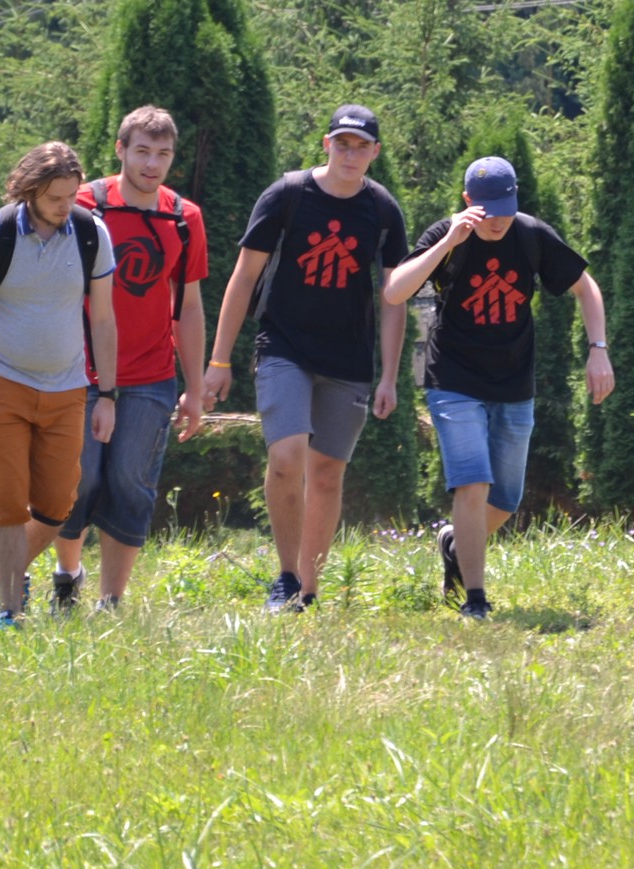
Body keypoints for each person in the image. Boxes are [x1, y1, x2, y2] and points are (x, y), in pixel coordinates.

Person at [382, 155, 613, 619]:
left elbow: (586, 288)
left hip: (513, 380)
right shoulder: (446, 235)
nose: (498, 221)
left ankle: (454, 543)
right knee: (473, 482)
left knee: (504, 501)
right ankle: (476, 599)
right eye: (487, 211)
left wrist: (598, 349)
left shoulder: (530, 234)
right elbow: (395, 292)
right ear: (468, 200)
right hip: (453, 378)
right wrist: (449, 241)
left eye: (505, 209)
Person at [203, 105, 408, 612]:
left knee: (327, 474)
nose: (350, 155)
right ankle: (287, 577)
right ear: (326, 144)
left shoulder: (383, 210)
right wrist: (219, 360)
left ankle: (309, 590)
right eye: (342, 144)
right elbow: (244, 277)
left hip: (349, 359)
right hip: (284, 347)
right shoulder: (287, 195)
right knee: (286, 458)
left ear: (375, 153)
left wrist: (389, 375)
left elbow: (394, 297)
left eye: (361, 147)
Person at [0, 142, 118, 631]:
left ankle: (11, 571)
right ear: (29, 191)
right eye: (54, 198)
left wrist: (107, 395)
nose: (65, 206)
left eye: (71, 196)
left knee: (59, 503)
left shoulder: (91, 234)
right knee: (4, 502)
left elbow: (103, 320)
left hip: (67, 388)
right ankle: (9, 612)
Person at [50, 106, 210, 613]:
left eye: (163, 154)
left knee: (130, 484)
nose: (152, 164)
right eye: (142, 151)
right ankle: (67, 576)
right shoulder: (83, 205)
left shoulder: (184, 218)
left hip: (151, 376)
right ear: (120, 150)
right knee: (77, 481)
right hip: (78, 369)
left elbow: (188, 305)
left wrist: (195, 388)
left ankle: (111, 602)